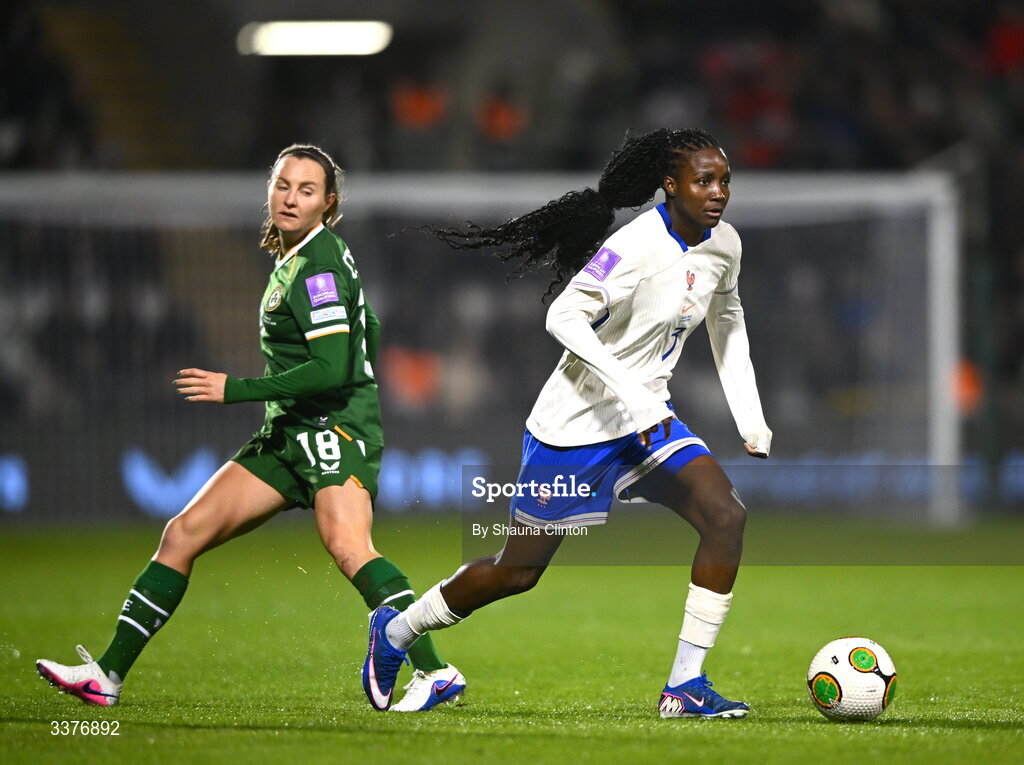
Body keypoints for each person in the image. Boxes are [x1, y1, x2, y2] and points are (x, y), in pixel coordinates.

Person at [36, 144, 465, 713]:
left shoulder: (317, 267)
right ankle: (107, 675)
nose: (291, 197)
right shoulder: (299, 257)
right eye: (283, 185)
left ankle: (435, 672)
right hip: (288, 435)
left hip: (332, 432)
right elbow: (371, 326)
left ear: (327, 203)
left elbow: (333, 365)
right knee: (182, 533)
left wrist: (235, 388)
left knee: (349, 548)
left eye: (306, 190)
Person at [362, 128, 771, 718]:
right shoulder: (635, 246)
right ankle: (397, 632)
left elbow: (726, 319)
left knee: (726, 516)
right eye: (704, 180)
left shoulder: (724, 244)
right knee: (517, 572)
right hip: (574, 427)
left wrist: (749, 415)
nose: (718, 193)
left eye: (724, 180)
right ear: (670, 185)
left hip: (647, 423)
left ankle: (684, 686)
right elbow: (563, 315)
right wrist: (628, 386)